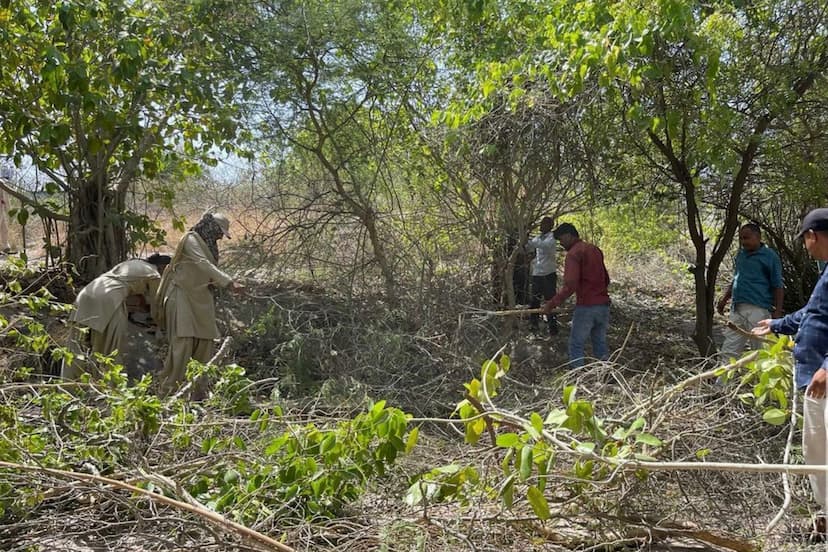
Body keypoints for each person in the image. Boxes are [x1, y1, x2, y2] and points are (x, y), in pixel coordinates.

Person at [753, 208, 828, 542]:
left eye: (805, 240)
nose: (805, 247)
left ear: (813, 236)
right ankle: (825, 513)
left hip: (823, 376)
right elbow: (814, 313)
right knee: (817, 450)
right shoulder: (826, 273)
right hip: (813, 379)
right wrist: (777, 325)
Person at [155, 212, 244, 396]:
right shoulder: (190, 240)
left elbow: (207, 272)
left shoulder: (210, 247)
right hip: (181, 296)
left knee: (205, 343)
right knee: (183, 344)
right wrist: (228, 282)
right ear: (210, 227)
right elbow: (202, 263)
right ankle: (168, 394)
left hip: (201, 300)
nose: (220, 236)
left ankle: (196, 395)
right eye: (219, 231)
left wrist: (218, 284)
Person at [62, 254, 170, 379]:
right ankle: (107, 389)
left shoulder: (132, 264)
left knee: (75, 347)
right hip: (109, 300)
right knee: (107, 351)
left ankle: (68, 385)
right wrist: (160, 325)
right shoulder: (154, 274)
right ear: (164, 268)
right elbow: (157, 305)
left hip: (86, 294)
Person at [541, 222, 610, 367]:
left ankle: (578, 380)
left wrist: (551, 304)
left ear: (568, 235)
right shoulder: (595, 249)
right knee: (600, 344)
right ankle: (606, 376)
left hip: (587, 307)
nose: (561, 243)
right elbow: (606, 278)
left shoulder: (574, 253)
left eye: (561, 239)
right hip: (603, 305)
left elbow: (570, 285)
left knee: (576, 345)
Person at [717, 223, 784, 361]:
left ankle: (764, 382)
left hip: (758, 309)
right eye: (741, 238)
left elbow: (778, 285)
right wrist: (725, 299)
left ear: (758, 237)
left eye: (746, 238)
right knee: (729, 349)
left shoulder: (770, 256)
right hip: (737, 308)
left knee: (761, 351)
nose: (743, 242)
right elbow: (737, 279)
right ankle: (722, 383)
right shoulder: (741, 255)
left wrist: (777, 312)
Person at [525, 216, 558, 337]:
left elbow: (546, 246)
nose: (541, 225)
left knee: (550, 300)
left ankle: (552, 326)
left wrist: (532, 242)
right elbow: (528, 247)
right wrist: (525, 239)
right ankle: (534, 325)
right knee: (534, 300)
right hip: (537, 273)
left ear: (550, 226)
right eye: (541, 223)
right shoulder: (537, 238)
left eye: (544, 223)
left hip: (548, 274)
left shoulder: (552, 237)